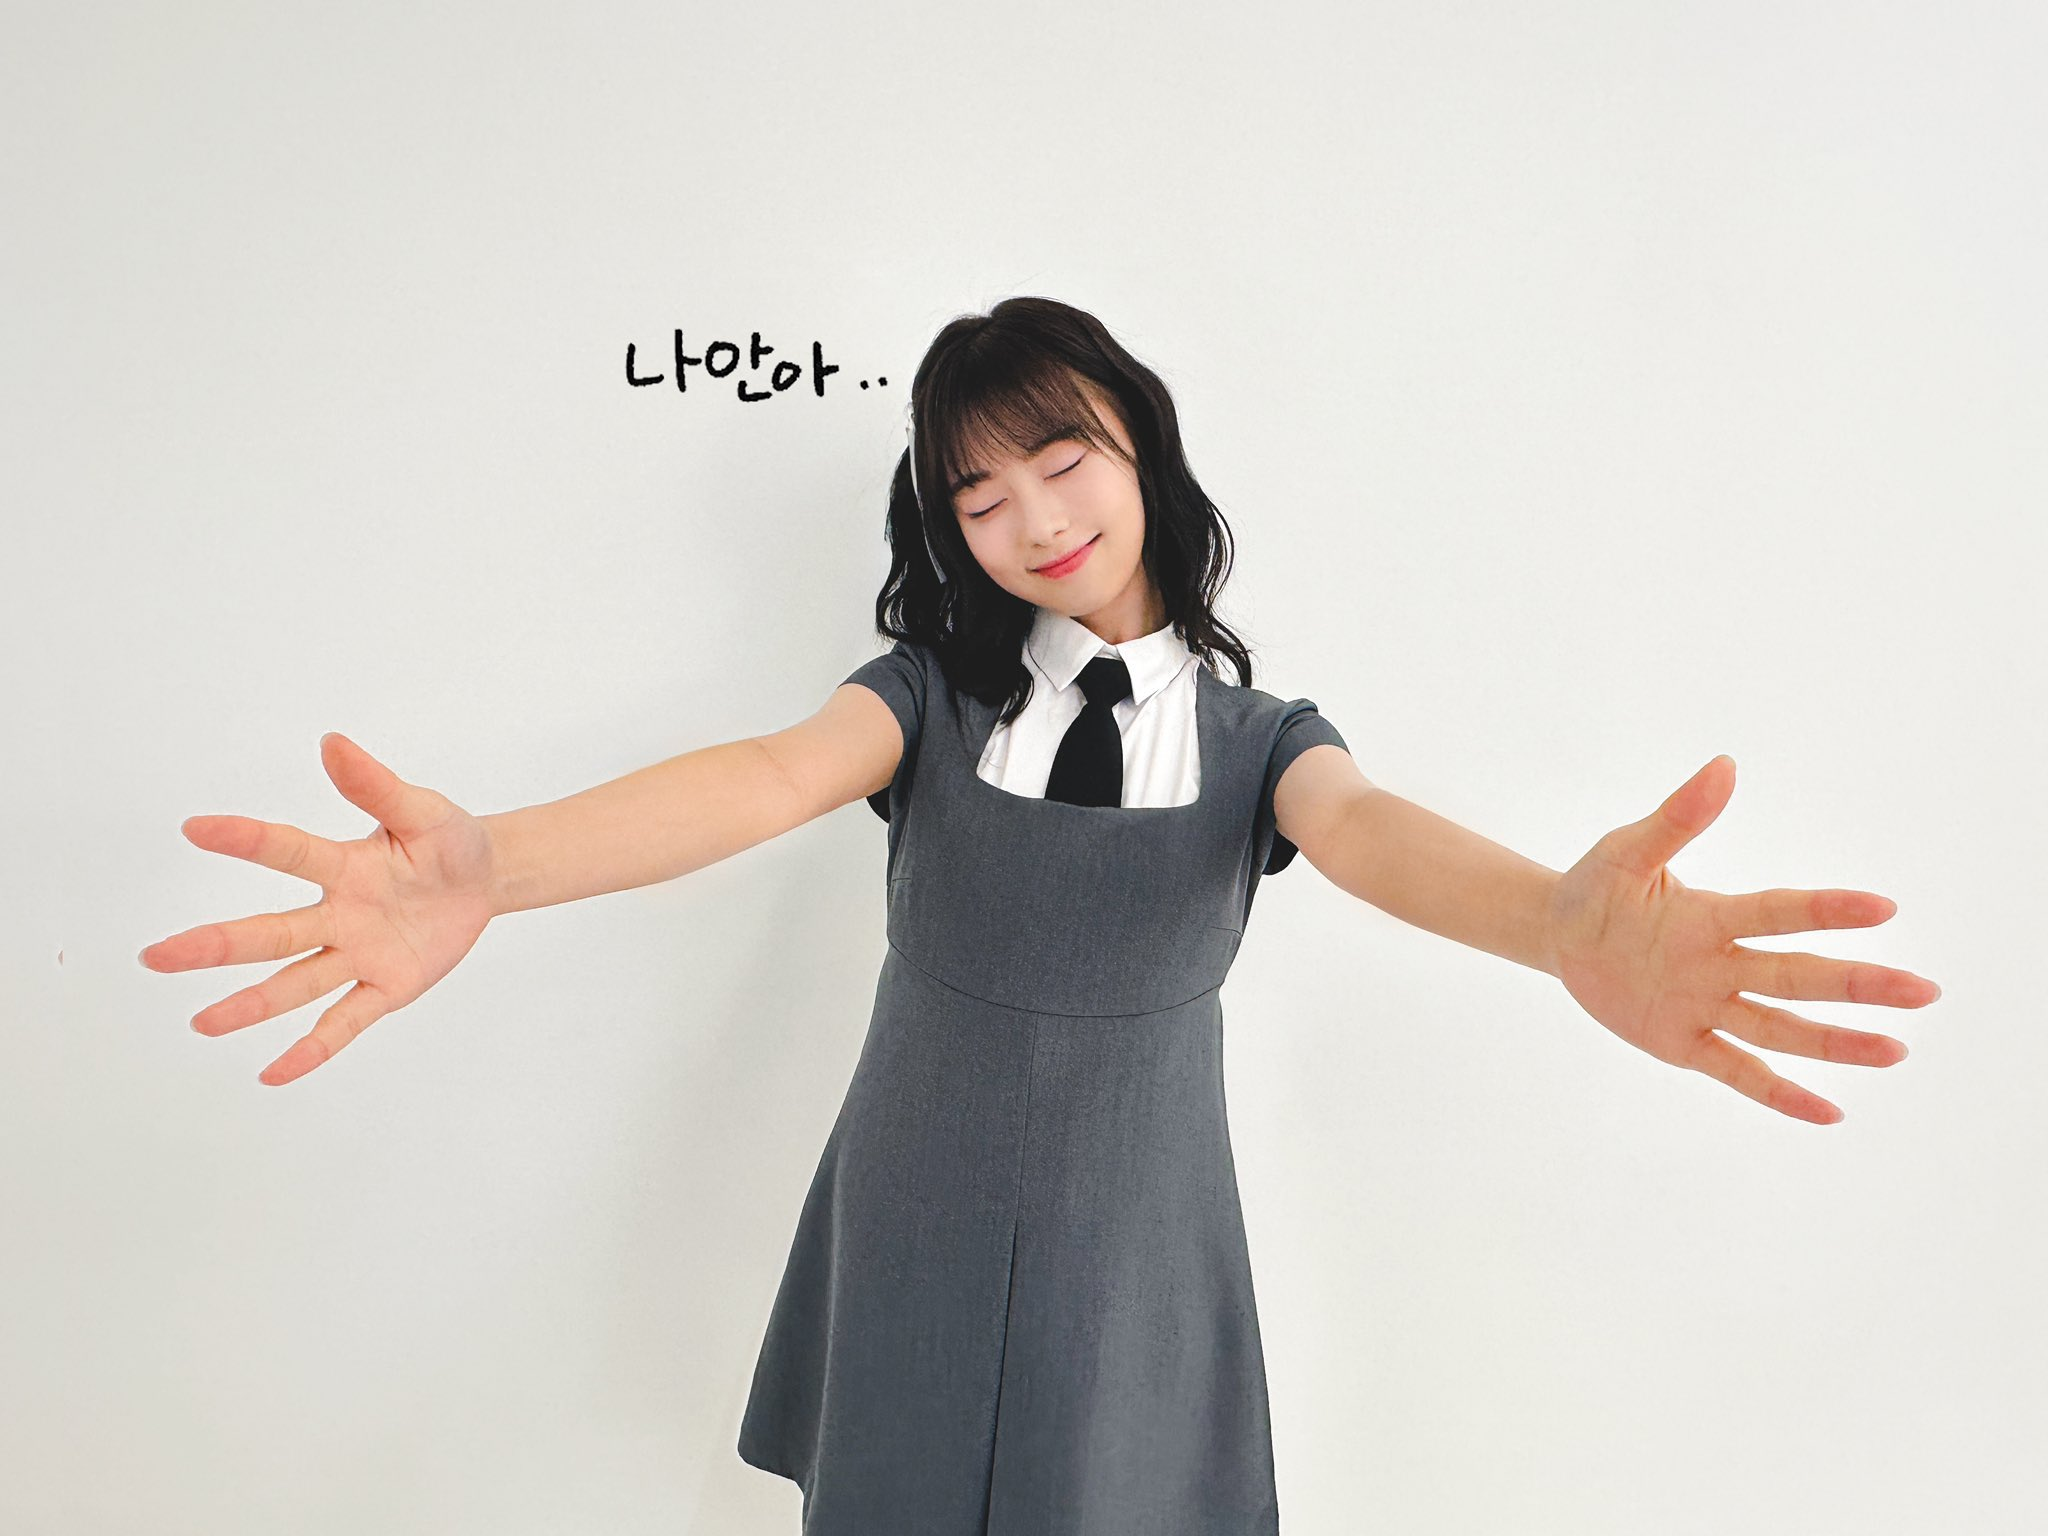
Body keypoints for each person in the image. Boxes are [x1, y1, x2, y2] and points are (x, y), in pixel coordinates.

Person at [140, 296, 1940, 1533]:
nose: (1028, 515)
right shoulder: (924, 702)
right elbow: (764, 776)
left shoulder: (1262, 745)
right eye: (977, 492)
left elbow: (1370, 832)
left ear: (1138, 441)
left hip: (1135, 1246)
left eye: (1058, 456)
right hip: (915, 1213)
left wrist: (1557, 920)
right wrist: (496, 863)